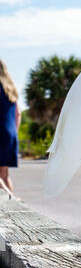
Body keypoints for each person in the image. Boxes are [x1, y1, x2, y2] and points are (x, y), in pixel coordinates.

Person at [0, 59, 21, 199]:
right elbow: (18, 113)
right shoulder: (11, 89)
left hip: (0, 132)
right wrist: (14, 133)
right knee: (4, 174)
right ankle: (12, 200)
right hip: (11, 133)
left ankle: (12, 197)